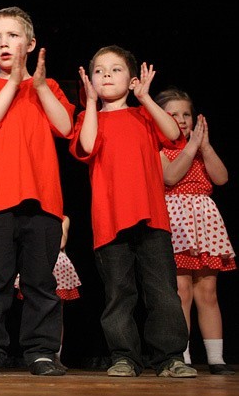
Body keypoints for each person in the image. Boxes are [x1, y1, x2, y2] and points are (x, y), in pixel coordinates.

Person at [70, 45, 197, 378]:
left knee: (162, 292)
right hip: (109, 221)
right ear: (90, 81)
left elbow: (173, 134)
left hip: (151, 217)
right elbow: (86, 145)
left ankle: (170, 357)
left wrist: (146, 98)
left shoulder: (144, 114)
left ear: (132, 79)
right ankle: (125, 356)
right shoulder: (87, 118)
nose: (107, 75)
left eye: (116, 69)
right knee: (118, 293)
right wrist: (92, 103)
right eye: (99, 70)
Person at [0, 6, 74, 376]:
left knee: (40, 281)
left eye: (11, 35)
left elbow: (65, 126)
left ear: (30, 43)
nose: (3, 42)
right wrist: (13, 81)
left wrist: (39, 86)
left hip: (43, 200)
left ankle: (41, 351)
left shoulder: (48, 86)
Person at [154, 88, 235, 375]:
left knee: (208, 291)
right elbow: (170, 176)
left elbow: (221, 178)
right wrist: (191, 148)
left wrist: (206, 146)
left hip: (205, 223)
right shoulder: (160, 149)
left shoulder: (201, 150)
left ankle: (216, 357)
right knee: (181, 291)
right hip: (176, 222)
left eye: (186, 114)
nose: (181, 119)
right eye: (172, 115)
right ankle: (181, 356)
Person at [14, 215, 82, 369]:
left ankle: (56, 355)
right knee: (33, 305)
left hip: (58, 265)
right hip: (36, 262)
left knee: (57, 311)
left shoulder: (64, 219)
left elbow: (61, 242)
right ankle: (34, 351)